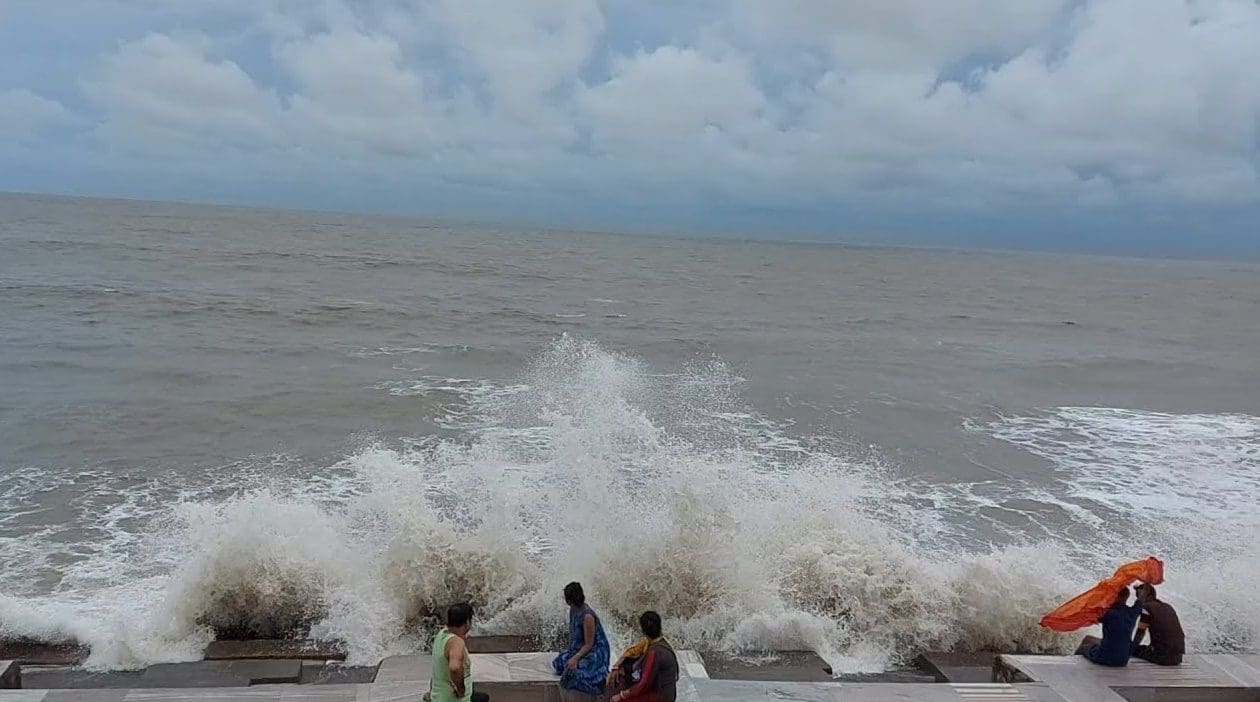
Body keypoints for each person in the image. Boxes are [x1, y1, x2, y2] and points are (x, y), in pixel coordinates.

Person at [550, 582, 610, 700]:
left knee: (573, 674)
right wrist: (571, 653)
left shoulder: (587, 617)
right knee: (559, 663)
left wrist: (575, 658)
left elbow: (589, 644)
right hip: (580, 648)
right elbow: (573, 635)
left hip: (595, 651)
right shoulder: (573, 610)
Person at [608, 611, 678, 702]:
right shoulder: (660, 643)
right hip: (664, 691)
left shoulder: (654, 653)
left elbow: (643, 685)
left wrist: (621, 696)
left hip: (659, 697)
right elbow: (632, 651)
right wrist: (617, 667)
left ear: (643, 631)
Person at [430, 603, 489, 702]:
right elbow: (454, 668)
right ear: (467, 622)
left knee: (482, 697)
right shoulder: (456, 642)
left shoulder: (441, 635)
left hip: (438, 697)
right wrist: (461, 689)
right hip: (453, 699)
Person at [1075, 587, 1143, 667]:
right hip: (1123, 659)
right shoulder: (1133, 612)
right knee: (1090, 639)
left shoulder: (1108, 613)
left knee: (1084, 646)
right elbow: (1141, 598)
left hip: (1104, 657)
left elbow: (1089, 613)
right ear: (1127, 597)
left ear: (1114, 596)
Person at [1132, 583, 1185, 666]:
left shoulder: (1146, 608)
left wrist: (1131, 648)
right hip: (1178, 657)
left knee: (1135, 649)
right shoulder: (1168, 606)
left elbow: (1140, 633)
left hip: (1162, 656)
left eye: (1138, 596)